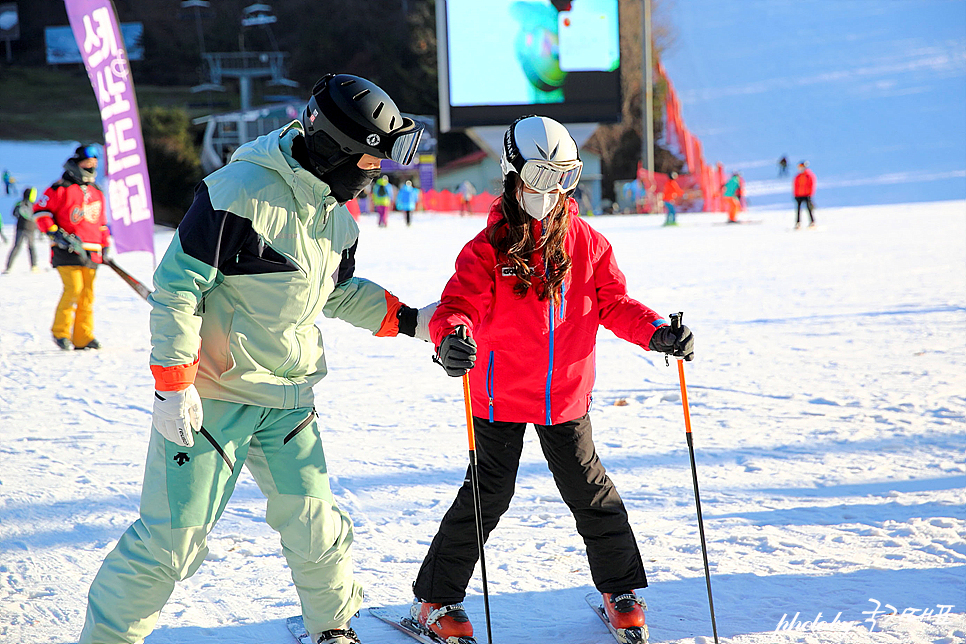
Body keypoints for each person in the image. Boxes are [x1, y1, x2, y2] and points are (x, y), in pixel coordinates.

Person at [78, 73, 433, 644]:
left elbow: (335, 291)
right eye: (370, 162)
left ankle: (333, 629)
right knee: (173, 542)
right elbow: (178, 287)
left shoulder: (335, 215)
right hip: (214, 399)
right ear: (336, 150)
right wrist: (173, 382)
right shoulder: (237, 190)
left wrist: (414, 321)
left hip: (289, 401)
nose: (375, 177)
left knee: (319, 530)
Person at [409, 115, 695, 644]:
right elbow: (458, 306)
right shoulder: (487, 248)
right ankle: (436, 598)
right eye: (540, 177)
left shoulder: (586, 242)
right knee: (487, 496)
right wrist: (451, 337)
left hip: (564, 395)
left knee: (590, 492)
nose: (553, 191)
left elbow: (614, 302)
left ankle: (621, 591)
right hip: (497, 395)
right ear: (512, 174)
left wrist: (655, 330)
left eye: (565, 176)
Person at [33, 145, 110, 351]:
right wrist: (55, 232)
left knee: (87, 294)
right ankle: (61, 332)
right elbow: (41, 212)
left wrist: (105, 244)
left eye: (94, 162)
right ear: (76, 163)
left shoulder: (97, 191)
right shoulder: (60, 188)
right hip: (67, 249)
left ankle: (83, 337)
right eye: (87, 162)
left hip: (92, 250)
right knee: (73, 289)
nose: (92, 165)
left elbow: (101, 223)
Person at [3, 186, 40, 273]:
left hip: (21, 227)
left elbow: (14, 214)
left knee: (17, 247)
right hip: (30, 228)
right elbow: (37, 217)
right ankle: (34, 266)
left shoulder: (19, 203)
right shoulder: (34, 205)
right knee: (31, 247)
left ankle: (9, 267)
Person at [793, 161, 817, 228]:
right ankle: (798, 223)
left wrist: (810, 194)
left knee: (809, 209)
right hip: (799, 195)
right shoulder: (798, 176)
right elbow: (795, 185)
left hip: (806, 195)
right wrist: (795, 194)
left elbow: (812, 185)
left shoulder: (808, 175)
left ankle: (812, 222)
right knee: (798, 210)